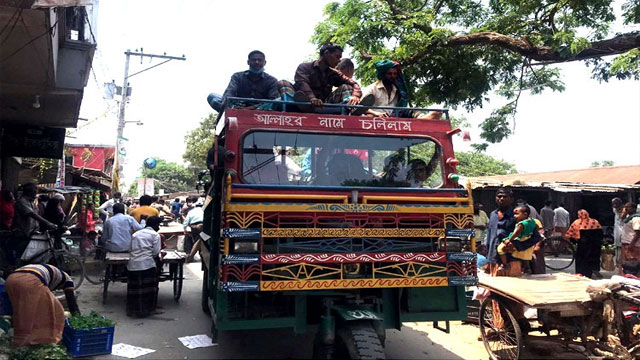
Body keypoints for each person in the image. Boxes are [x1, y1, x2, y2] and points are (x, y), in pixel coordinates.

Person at [287, 42, 374, 115]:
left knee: (346, 87)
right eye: (337, 57)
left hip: (323, 104)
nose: (339, 60)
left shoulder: (334, 73)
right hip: (304, 101)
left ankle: (351, 108)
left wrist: (355, 96)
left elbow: (353, 83)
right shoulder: (305, 67)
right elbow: (302, 83)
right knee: (283, 83)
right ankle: (304, 107)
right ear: (327, 53)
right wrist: (312, 98)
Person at [5, 264, 79, 347]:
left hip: (10, 280)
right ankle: (46, 340)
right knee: (55, 311)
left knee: (22, 312)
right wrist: (78, 317)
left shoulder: (49, 270)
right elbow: (71, 300)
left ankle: (20, 339)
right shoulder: (67, 279)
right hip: (30, 281)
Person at [362, 59, 441, 119]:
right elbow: (360, 107)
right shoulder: (372, 88)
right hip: (375, 120)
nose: (392, 76)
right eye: (389, 74)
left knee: (411, 110)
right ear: (383, 75)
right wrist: (376, 113)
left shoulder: (398, 91)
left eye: (395, 74)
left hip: (394, 119)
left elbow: (401, 108)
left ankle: (423, 118)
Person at [207, 50, 279, 112]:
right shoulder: (237, 76)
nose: (257, 62)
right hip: (237, 106)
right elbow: (229, 92)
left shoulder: (272, 80)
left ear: (264, 63)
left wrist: (252, 108)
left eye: (260, 60)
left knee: (278, 101)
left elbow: (273, 99)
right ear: (248, 62)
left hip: (261, 108)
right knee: (212, 97)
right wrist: (227, 101)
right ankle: (229, 111)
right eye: (254, 60)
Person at [9, 183, 57, 263]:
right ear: (30, 192)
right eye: (35, 191)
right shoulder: (22, 202)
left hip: (31, 231)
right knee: (22, 255)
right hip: (21, 232)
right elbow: (32, 214)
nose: (36, 193)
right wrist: (48, 223)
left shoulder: (31, 202)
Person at [127, 216, 163, 317]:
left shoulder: (136, 234)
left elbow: (130, 249)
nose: (159, 227)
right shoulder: (155, 235)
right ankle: (148, 309)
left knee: (134, 289)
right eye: (158, 225)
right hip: (147, 265)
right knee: (148, 290)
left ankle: (133, 310)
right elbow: (156, 252)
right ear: (155, 225)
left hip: (133, 265)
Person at [496, 205, 540, 275]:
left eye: (516, 214)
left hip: (518, 240)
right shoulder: (532, 221)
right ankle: (527, 268)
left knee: (500, 249)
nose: (514, 216)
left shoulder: (521, 224)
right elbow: (537, 228)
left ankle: (505, 264)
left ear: (525, 214)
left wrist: (509, 240)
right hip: (526, 239)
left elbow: (516, 233)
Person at [564, 209, 603, 278]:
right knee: (592, 258)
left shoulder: (577, 223)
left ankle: (581, 273)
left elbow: (570, 234)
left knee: (581, 260)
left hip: (582, 245)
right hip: (594, 246)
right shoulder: (594, 222)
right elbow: (600, 234)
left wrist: (574, 241)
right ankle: (590, 272)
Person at [485, 188, 516, 269]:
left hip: (510, 256)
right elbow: (489, 235)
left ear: (511, 199)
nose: (501, 199)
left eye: (505, 197)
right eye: (499, 196)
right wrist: (488, 257)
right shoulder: (493, 214)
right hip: (493, 256)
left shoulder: (516, 215)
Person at [620, 202, 640, 276]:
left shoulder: (636, 218)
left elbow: (638, 232)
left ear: (634, 208)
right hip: (626, 244)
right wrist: (624, 214)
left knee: (633, 264)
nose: (626, 209)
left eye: (628, 207)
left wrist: (632, 244)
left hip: (632, 245)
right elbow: (622, 218)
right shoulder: (629, 217)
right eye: (625, 207)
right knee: (625, 263)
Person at [612, 197, 625, 267]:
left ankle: (622, 263)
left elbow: (622, 216)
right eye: (613, 204)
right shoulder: (614, 209)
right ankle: (618, 262)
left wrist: (620, 210)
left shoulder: (625, 210)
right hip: (617, 231)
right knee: (617, 247)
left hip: (624, 231)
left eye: (616, 204)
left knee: (623, 247)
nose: (614, 205)